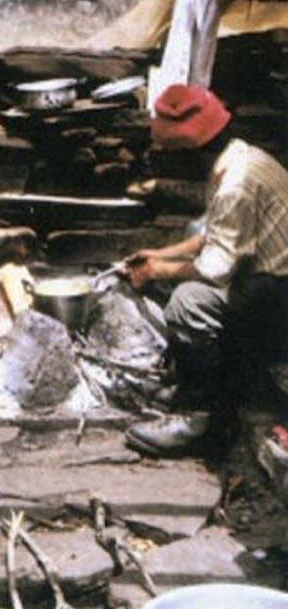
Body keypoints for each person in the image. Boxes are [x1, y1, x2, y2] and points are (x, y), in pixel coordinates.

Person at [123, 84, 288, 458]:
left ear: (193, 153)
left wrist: (157, 271)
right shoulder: (240, 157)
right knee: (191, 239)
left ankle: (200, 418)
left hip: (278, 293)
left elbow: (214, 268)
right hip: (267, 278)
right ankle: (191, 381)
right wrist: (158, 255)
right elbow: (212, 237)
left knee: (189, 301)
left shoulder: (235, 184)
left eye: (171, 155)